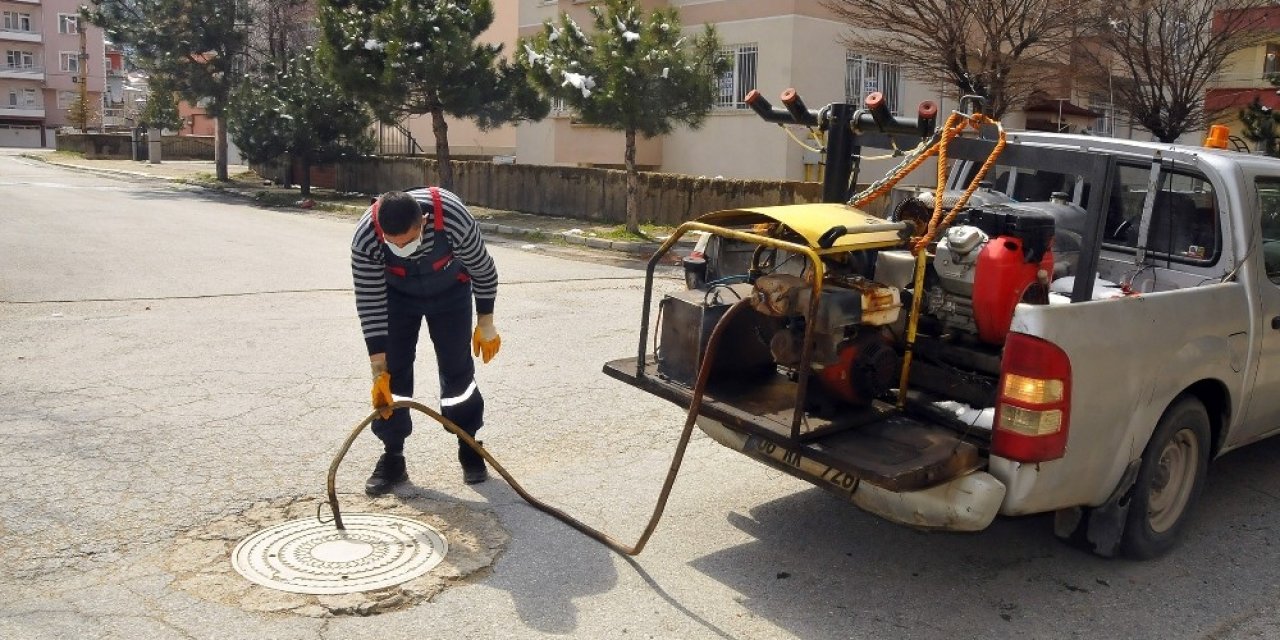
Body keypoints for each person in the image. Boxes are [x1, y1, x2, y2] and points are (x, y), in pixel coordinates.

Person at [350, 187, 501, 494]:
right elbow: (370, 301)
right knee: (393, 376)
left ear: (424, 222)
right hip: (396, 298)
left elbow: (483, 269)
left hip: (451, 293)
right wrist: (378, 366)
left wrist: (485, 320)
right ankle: (393, 455)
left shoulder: (452, 217)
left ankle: (469, 443)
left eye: (407, 241)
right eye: (393, 243)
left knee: (457, 371)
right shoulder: (366, 236)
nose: (400, 248)